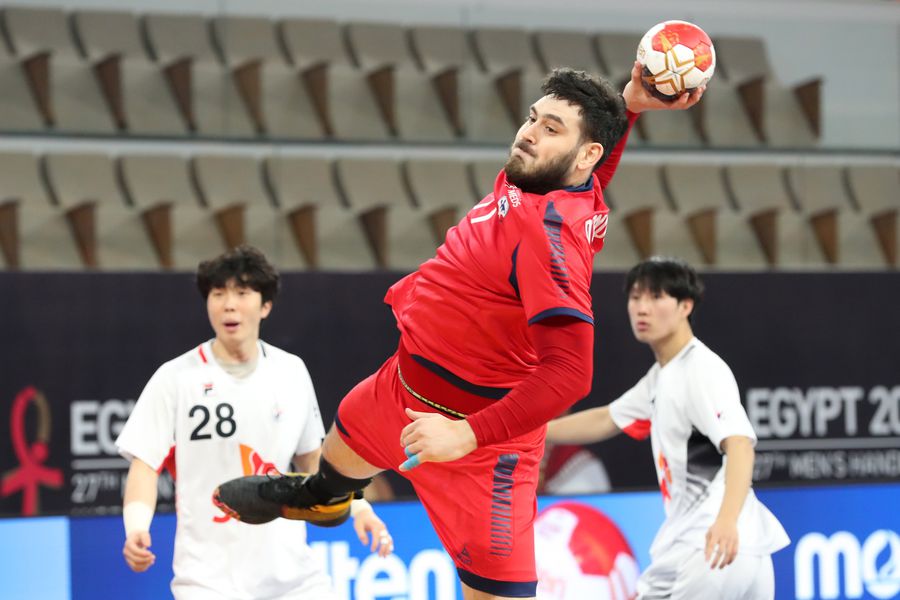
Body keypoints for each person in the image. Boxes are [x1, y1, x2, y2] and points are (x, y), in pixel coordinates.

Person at [216, 63, 705, 600]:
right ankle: (324, 497)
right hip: (399, 390)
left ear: (581, 154)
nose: (528, 133)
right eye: (532, 118)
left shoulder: (553, 242)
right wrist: (629, 104)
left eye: (550, 130)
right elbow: (592, 164)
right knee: (346, 436)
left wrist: (465, 435)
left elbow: (571, 374)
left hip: (480, 448)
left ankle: (332, 494)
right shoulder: (549, 178)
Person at [116, 245, 393, 600]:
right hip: (207, 580)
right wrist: (136, 527)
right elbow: (145, 463)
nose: (229, 304)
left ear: (265, 306)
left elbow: (312, 460)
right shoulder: (175, 378)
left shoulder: (291, 371)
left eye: (242, 293)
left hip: (293, 577)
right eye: (218, 294)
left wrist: (358, 505)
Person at [546, 257, 790, 599]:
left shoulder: (701, 369)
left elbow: (740, 445)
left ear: (684, 306)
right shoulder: (662, 376)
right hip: (728, 548)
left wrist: (725, 520)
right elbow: (606, 418)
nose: (642, 308)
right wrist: (531, 433)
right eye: (635, 297)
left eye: (656, 297)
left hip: (712, 546)